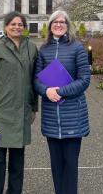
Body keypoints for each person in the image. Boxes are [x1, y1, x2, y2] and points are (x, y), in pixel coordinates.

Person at [0, 11, 38, 194]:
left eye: (20, 24)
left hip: (21, 112)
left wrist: (34, 107)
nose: (16, 27)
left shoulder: (32, 47)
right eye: (13, 24)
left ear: (24, 27)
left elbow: (34, 79)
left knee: (17, 164)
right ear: (5, 27)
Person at [34, 10, 90, 194]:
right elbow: (36, 80)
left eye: (62, 22)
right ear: (50, 26)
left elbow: (84, 80)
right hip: (51, 117)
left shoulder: (77, 47)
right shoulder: (44, 49)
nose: (58, 25)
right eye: (55, 22)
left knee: (71, 167)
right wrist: (46, 90)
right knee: (56, 167)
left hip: (72, 115)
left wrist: (59, 91)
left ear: (67, 25)